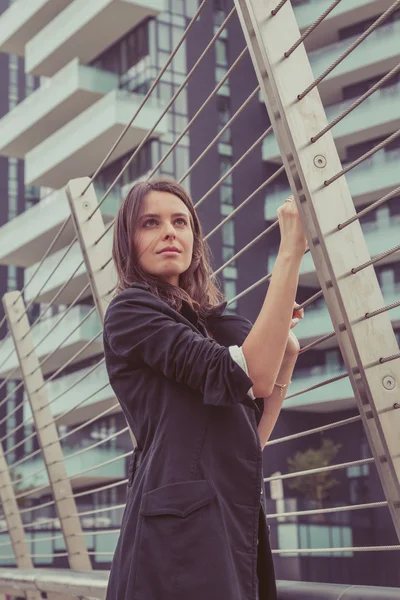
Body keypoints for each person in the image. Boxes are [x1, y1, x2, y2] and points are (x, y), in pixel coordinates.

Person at [103, 178, 306, 600]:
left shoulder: (212, 324)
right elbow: (244, 373)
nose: (169, 232)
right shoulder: (131, 311)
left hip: (229, 522)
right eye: (150, 223)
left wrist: (287, 354)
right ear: (128, 241)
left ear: (195, 238)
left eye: (180, 221)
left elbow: (252, 438)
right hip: (177, 540)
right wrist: (290, 253)